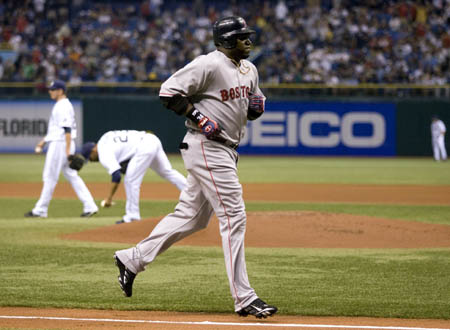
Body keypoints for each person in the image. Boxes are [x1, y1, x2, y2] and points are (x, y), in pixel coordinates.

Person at [113, 16, 277, 319]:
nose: (249, 41)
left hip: (226, 150)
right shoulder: (209, 64)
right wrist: (200, 116)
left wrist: (255, 107)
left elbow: (254, 105)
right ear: (227, 41)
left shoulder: (249, 69)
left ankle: (131, 259)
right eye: (242, 37)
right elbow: (168, 92)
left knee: (191, 217)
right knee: (234, 216)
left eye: (248, 36)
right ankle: (244, 297)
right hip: (206, 146)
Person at [25, 80, 99, 218]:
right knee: (71, 175)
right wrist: (43, 142)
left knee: (49, 176)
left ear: (60, 91)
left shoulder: (63, 106)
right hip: (61, 143)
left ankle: (40, 210)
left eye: (53, 89)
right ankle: (90, 206)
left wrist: (67, 152)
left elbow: (67, 129)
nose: (50, 91)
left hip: (61, 144)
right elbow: (57, 130)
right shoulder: (62, 105)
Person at [81, 130, 187, 224]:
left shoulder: (103, 153)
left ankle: (132, 216)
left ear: (93, 150)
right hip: (152, 139)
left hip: (143, 148)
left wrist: (109, 198)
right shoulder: (105, 137)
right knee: (167, 172)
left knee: (131, 180)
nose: (91, 160)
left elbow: (116, 176)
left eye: (89, 158)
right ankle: (192, 192)